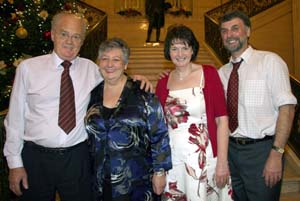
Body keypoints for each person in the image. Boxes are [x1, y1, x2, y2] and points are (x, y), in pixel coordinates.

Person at [3, 11, 152, 201]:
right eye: (64, 34)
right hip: (35, 158)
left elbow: (115, 78)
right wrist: (15, 164)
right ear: (53, 34)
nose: (70, 41)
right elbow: (14, 119)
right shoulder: (28, 68)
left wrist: (137, 80)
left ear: (82, 41)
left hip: (77, 158)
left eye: (77, 36)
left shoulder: (91, 69)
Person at [218, 10, 297, 201]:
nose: (230, 35)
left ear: (248, 31)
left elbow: (287, 108)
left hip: (261, 152)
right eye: (224, 31)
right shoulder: (222, 72)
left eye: (235, 28)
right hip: (231, 152)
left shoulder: (270, 61)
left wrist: (277, 153)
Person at [84, 37, 172, 200]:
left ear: (125, 64)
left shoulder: (142, 93)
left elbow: (159, 134)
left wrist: (160, 172)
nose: (109, 64)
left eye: (116, 60)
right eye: (105, 59)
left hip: (137, 180)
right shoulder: (93, 94)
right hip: (100, 178)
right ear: (99, 63)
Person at [155, 24, 233, 201]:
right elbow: (157, 127)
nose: (180, 53)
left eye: (185, 47)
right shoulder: (163, 82)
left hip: (205, 158)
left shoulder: (209, 74)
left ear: (192, 50)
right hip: (174, 159)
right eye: (174, 48)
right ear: (168, 51)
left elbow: (222, 120)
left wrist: (222, 161)